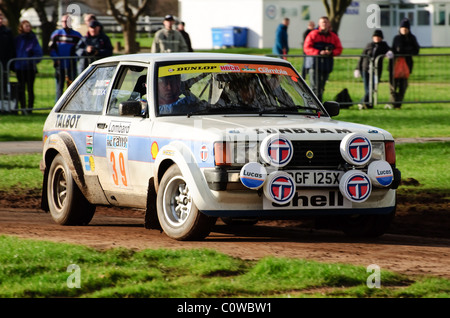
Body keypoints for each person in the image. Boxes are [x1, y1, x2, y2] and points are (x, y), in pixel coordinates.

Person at [303, 16, 343, 102]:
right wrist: (319, 52)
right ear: (319, 24)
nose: (324, 23)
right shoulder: (313, 34)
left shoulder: (333, 36)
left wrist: (331, 52)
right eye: (322, 22)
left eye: (326, 22)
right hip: (314, 64)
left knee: (321, 88)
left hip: (326, 65)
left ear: (329, 24)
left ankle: (319, 107)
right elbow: (306, 48)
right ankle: (313, 106)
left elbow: (339, 48)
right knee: (314, 88)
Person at [387, 18, 420, 109]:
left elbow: (416, 50)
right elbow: (395, 49)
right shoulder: (396, 38)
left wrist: (405, 51)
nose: (404, 30)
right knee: (393, 86)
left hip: (406, 67)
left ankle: (398, 104)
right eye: (402, 28)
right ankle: (394, 104)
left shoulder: (412, 38)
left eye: (406, 28)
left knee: (403, 87)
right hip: (394, 66)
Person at [354, 29, 392, 109]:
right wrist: (357, 68)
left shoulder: (384, 45)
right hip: (366, 69)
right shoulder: (369, 45)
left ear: (381, 38)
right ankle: (366, 103)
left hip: (376, 71)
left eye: (378, 37)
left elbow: (389, 51)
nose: (377, 38)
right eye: (375, 36)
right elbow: (362, 57)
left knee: (373, 88)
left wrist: (389, 53)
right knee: (368, 88)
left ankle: (364, 103)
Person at [49, 14, 82, 100]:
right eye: (63, 21)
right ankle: (58, 107)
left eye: (67, 21)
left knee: (71, 87)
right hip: (59, 66)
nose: (65, 23)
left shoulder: (77, 35)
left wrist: (75, 58)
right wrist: (56, 58)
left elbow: (80, 49)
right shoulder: (56, 34)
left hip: (71, 65)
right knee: (59, 87)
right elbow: (51, 49)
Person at [14, 20, 43, 114]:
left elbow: (38, 53)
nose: (28, 28)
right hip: (20, 68)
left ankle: (30, 108)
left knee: (30, 89)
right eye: (26, 26)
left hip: (30, 68)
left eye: (29, 26)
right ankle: (22, 108)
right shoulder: (18, 39)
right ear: (21, 27)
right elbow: (14, 52)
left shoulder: (33, 39)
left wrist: (32, 60)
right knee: (21, 88)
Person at [0, 12, 15, 99]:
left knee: (4, 82)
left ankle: (3, 103)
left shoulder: (7, 32)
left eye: (1, 18)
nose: (0, 20)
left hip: (5, 62)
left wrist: (11, 63)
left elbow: (11, 48)